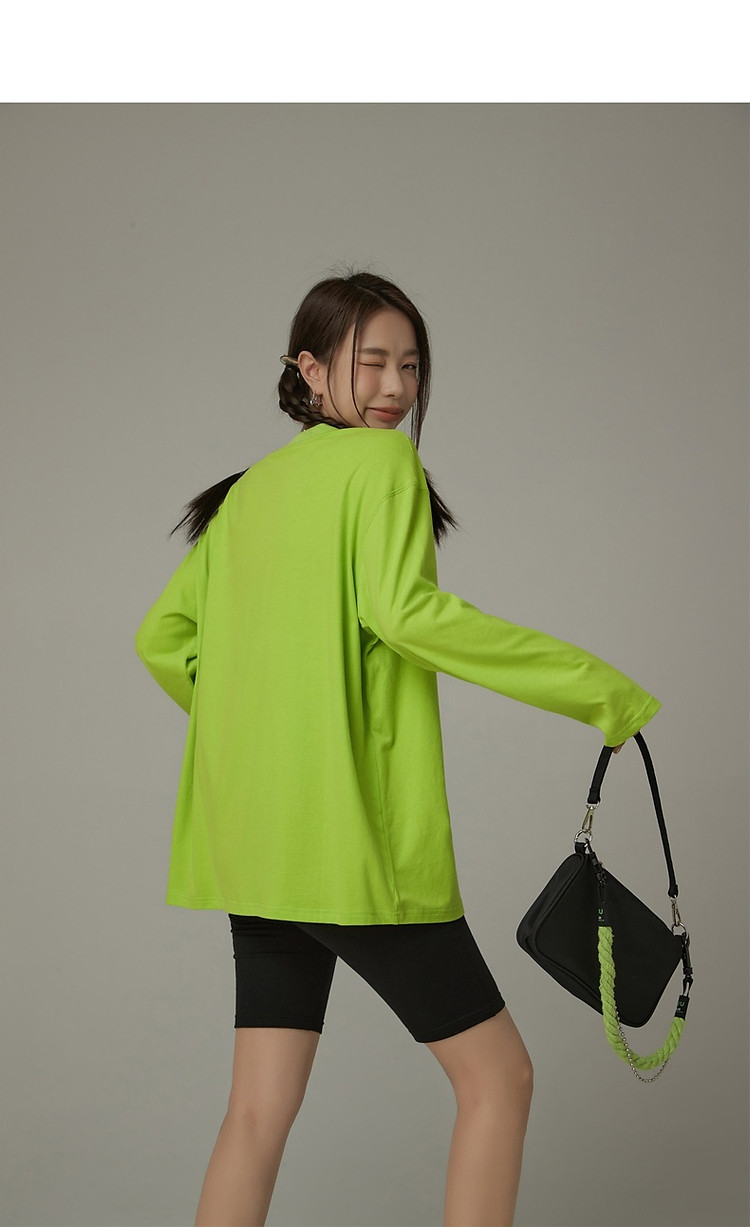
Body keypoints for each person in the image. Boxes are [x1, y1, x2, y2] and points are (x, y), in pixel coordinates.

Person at [134, 267, 659, 1227]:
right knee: (499, 1078)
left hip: (256, 846)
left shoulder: (250, 492)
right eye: (370, 361)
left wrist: (264, 732)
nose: (393, 388)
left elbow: (162, 640)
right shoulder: (382, 465)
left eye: (410, 366)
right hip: (351, 850)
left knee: (255, 1113)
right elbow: (407, 614)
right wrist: (600, 690)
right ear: (308, 368)